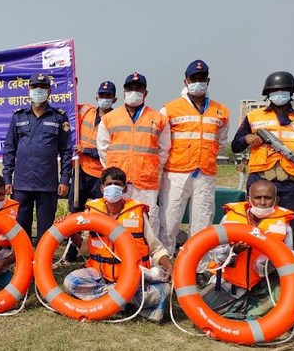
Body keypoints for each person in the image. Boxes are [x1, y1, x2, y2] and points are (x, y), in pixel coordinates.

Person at [63, 167, 174, 323]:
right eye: (109, 184)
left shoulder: (137, 211)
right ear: (102, 188)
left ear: (125, 188)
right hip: (100, 276)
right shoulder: (93, 211)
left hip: (133, 277)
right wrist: (70, 232)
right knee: (71, 283)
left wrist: (168, 265)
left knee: (165, 291)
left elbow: (155, 247)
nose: (112, 187)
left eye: (117, 183)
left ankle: (109, 301)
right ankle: (125, 300)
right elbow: (86, 249)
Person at [231, 71, 294, 249]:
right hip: (260, 180)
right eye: (275, 91)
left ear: (291, 93)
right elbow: (236, 145)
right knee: (254, 225)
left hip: (291, 183)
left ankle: (287, 271)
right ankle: (253, 268)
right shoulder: (253, 117)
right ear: (268, 94)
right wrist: (248, 138)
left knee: (293, 225)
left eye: (284, 90)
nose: (280, 94)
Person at [158, 59, 230, 258]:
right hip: (176, 173)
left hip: (205, 173)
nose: (198, 81)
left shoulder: (221, 111)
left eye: (202, 78)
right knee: (169, 221)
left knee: (202, 223)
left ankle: (197, 267)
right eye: (193, 78)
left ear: (208, 80)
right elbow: (162, 144)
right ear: (186, 81)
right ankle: (164, 265)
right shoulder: (170, 109)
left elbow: (221, 141)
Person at [202, 180, 294, 320]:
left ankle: (248, 310)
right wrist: (233, 251)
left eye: (268, 198)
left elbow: (287, 261)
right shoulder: (229, 219)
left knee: (286, 312)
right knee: (202, 310)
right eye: (258, 198)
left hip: (263, 284)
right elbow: (215, 255)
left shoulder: (284, 227)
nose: (262, 202)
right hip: (229, 283)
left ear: (276, 200)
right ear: (249, 199)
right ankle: (244, 309)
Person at [97, 72, 170, 238]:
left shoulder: (158, 119)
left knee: (147, 222)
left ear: (146, 93)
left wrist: (148, 168)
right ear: (124, 91)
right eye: (130, 88)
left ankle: (147, 260)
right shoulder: (109, 118)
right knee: (115, 220)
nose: (134, 91)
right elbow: (103, 149)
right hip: (117, 183)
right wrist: (113, 172)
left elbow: (164, 150)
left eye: (139, 88)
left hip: (145, 182)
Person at [3, 73, 72, 243]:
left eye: (42, 87)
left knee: (46, 231)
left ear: (49, 91)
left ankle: (42, 265)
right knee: (20, 229)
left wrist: (64, 180)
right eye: (35, 87)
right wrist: (7, 178)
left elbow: (66, 151)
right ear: (29, 90)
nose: (38, 91)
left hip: (47, 184)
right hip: (22, 184)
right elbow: (10, 149)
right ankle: (24, 264)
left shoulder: (58, 116)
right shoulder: (18, 116)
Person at [66, 80, 117, 261]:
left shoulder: (115, 119)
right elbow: (68, 102)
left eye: (108, 96)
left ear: (114, 99)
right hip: (81, 172)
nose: (104, 99)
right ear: (96, 97)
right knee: (75, 212)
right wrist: (71, 83)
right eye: (102, 95)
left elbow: (110, 149)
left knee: (98, 215)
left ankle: (97, 253)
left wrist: (86, 150)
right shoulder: (86, 112)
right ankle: (72, 251)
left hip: (99, 175)